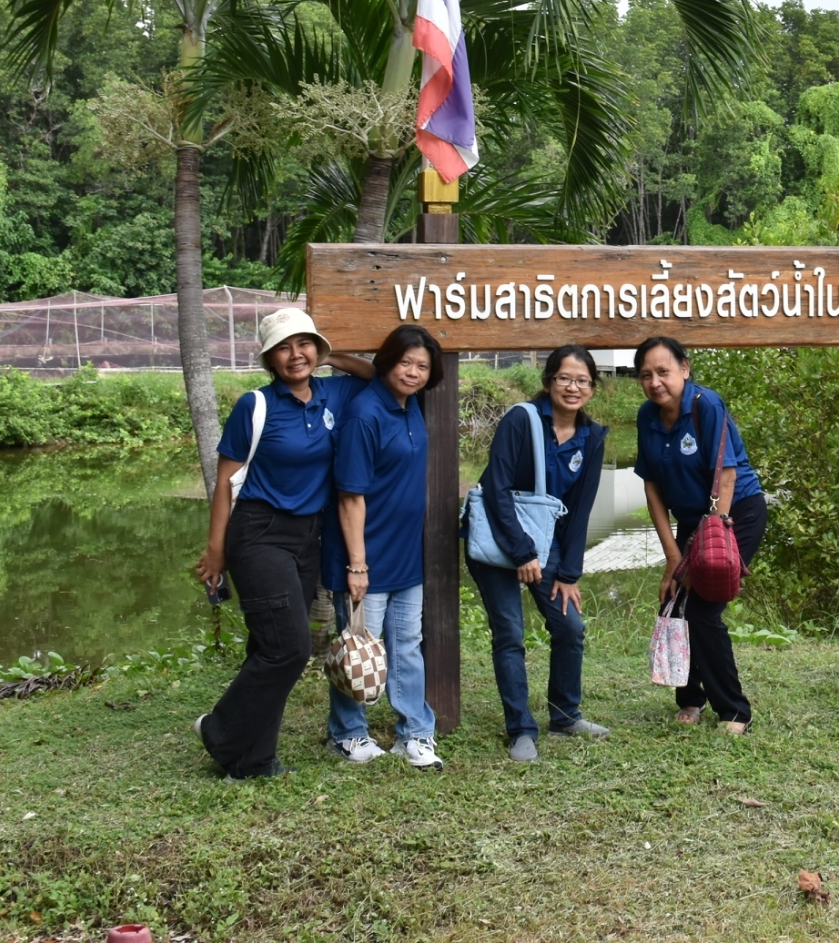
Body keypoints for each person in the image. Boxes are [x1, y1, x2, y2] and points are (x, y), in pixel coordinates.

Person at [192, 309, 374, 779]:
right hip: (259, 532)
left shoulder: (333, 393)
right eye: (283, 348)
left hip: (308, 536)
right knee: (290, 648)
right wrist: (216, 549)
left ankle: (253, 760)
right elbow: (225, 482)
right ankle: (219, 731)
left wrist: (332, 357)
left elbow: (377, 376)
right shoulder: (255, 405)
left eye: (304, 344)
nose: (295, 355)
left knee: (266, 647)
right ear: (269, 359)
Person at [468, 344, 612, 763]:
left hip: (546, 547)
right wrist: (521, 551)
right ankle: (520, 729)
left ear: (592, 388)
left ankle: (565, 716)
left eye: (582, 380)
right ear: (548, 381)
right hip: (498, 542)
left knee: (570, 627)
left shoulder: (592, 437)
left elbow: (580, 509)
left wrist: (569, 573)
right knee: (510, 634)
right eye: (564, 378)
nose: (572, 387)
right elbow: (495, 488)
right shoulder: (521, 419)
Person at [634, 335, 768, 735]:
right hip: (693, 522)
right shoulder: (647, 416)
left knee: (703, 609)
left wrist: (708, 549)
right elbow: (652, 488)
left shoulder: (705, 405)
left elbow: (726, 478)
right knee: (676, 598)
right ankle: (691, 699)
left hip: (735, 514)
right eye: (646, 375)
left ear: (684, 368)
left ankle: (735, 711)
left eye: (663, 371)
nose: (655, 382)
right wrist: (674, 558)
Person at [324, 324, 444, 770]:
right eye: (404, 363)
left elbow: (369, 370)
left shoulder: (409, 404)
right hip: (365, 555)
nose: (412, 372)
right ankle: (347, 734)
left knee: (407, 644)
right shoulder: (365, 413)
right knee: (358, 647)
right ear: (388, 363)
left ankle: (414, 732)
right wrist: (357, 565)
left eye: (422, 366)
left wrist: (336, 357)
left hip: (405, 554)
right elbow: (349, 496)